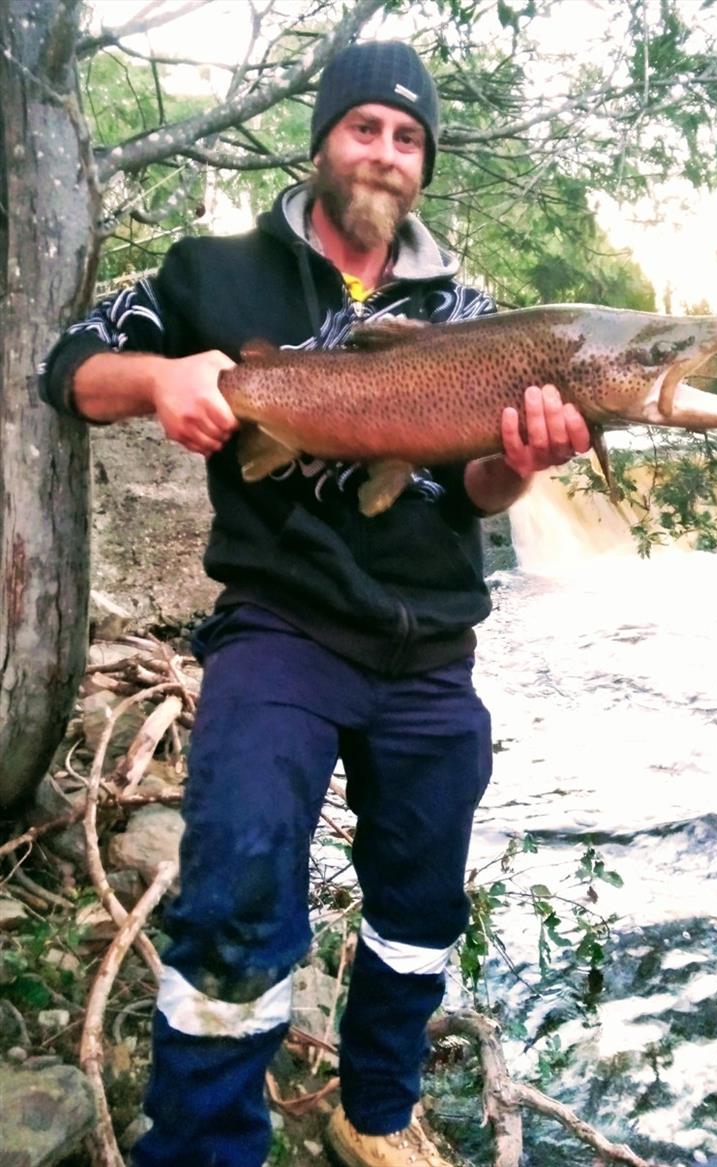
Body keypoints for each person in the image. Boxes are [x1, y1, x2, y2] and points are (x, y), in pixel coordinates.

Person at [40, 40, 591, 1167]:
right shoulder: (211, 270)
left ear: (422, 164)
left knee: (420, 905)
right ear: (322, 138)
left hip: (430, 642)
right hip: (281, 625)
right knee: (237, 873)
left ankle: (374, 1113)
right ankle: (202, 1145)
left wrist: (521, 462)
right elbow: (70, 363)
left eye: (406, 138)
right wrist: (161, 379)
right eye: (365, 128)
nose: (384, 154)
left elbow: (469, 490)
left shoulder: (467, 311)